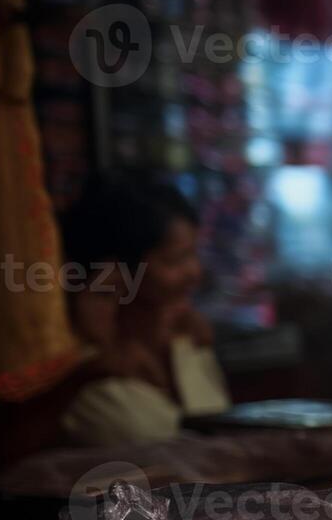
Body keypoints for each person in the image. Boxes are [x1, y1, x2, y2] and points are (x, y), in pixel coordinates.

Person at [53, 173, 231, 446]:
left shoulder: (190, 343)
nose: (195, 273)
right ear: (117, 273)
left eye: (194, 254)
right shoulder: (84, 373)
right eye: (175, 260)